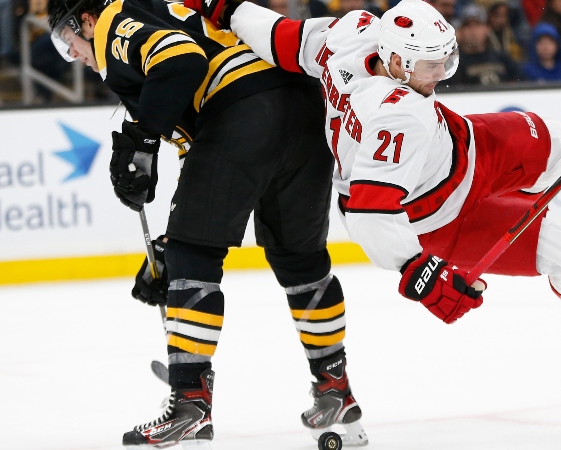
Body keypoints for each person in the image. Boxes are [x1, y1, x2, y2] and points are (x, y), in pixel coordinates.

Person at [184, 0, 561, 325]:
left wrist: (225, 7)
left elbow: (286, 39)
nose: (442, 74)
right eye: (432, 66)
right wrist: (419, 274)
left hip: (467, 145)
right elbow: (367, 210)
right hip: (441, 220)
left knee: (560, 141)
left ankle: (520, 204)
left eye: (446, 60)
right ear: (399, 63)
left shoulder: (354, 33)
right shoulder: (399, 115)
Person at [46, 0, 368, 447]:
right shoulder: (155, 12)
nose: (75, 54)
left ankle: (190, 403)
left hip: (243, 110)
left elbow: (179, 60)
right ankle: (335, 386)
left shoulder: (115, 20)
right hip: (302, 109)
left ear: (86, 20)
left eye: (69, 40)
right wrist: (169, 245)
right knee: (300, 259)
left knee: (193, 254)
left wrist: (140, 142)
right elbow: (201, 144)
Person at [448, 4, 524, 84]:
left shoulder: (502, 58)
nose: (473, 31)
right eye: (468, 26)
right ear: (460, 31)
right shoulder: (455, 64)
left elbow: (522, 82)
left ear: (487, 29)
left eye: (478, 25)